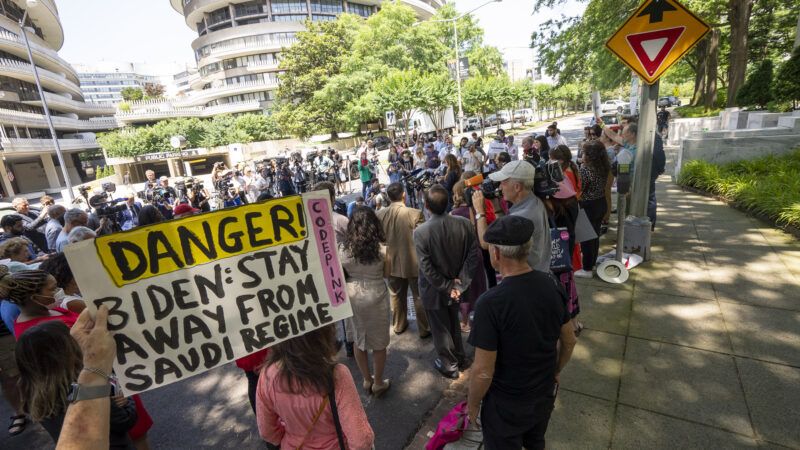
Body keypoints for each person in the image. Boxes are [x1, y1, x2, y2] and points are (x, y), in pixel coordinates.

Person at [467, 215, 577, 450]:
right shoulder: (552, 284)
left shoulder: (490, 303)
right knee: (536, 442)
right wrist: (555, 369)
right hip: (543, 394)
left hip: (507, 405)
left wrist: (473, 404)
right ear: (527, 248)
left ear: (496, 253)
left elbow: (483, 371)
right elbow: (569, 340)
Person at [15, 320, 138, 447]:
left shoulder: (30, 392)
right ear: (67, 350)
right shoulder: (88, 389)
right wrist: (127, 399)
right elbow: (125, 420)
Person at [256, 325, 375, 449]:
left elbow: (267, 432)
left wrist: (293, 438)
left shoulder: (267, 376)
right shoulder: (337, 375)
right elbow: (361, 440)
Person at [414, 185, 480, 379]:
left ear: (426, 205)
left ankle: (450, 364)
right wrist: (458, 285)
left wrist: (448, 286)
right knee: (453, 322)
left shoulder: (421, 232)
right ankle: (459, 358)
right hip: (456, 286)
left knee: (441, 328)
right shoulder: (464, 223)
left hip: (436, 290)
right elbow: (472, 257)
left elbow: (426, 269)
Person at [338, 207, 392, 397]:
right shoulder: (382, 249)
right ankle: (378, 382)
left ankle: (366, 379)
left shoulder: (342, 250)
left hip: (351, 294)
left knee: (358, 339)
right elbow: (387, 274)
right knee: (379, 342)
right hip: (376, 293)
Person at [473, 161, 551, 273]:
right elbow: (505, 224)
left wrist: (479, 211)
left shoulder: (521, 216)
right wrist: (496, 205)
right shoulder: (533, 202)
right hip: (537, 273)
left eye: (503, 183)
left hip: (526, 280)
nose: (499, 187)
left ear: (517, 187)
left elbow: (486, 243)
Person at [376, 183, 430, 338]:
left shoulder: (380, 215)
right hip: (413, 261)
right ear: (403, 195)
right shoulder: (415, 213)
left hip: (390, 262)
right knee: (418, 295)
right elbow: (423, 239)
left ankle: (399, 325)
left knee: (396, 295)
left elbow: (378, 239)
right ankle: (424, 328)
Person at [449, 182, 488, 333]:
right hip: (476, 254)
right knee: (479, 287)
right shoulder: (475, 210)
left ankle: (465, 322)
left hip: (462, 257)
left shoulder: (453, 214)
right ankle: (479, 318)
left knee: (465, 290)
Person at [577, 140, 613, 278]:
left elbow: (581, 189)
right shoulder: (605, 167)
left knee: (586, 238)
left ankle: (586, 269)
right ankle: (591, 263)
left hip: (588, 205)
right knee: (595, 236)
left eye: (584, 152)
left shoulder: (585, 170)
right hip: (600, 203)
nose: (582, 155)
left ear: (589, 155)